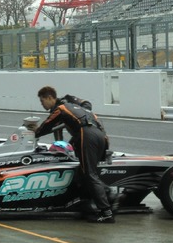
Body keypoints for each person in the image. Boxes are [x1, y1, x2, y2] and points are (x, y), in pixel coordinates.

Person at [32, 86, 115, 223]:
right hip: (101, 135)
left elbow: (46, 125)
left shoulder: (62, 107)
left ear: (49, 98)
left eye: (42, 101)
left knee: (89, 174)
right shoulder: (75, 108)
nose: (42, 105)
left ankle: (106, 212)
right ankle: (92, 204)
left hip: (87, 135)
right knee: (84, 173)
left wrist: (35, 132)